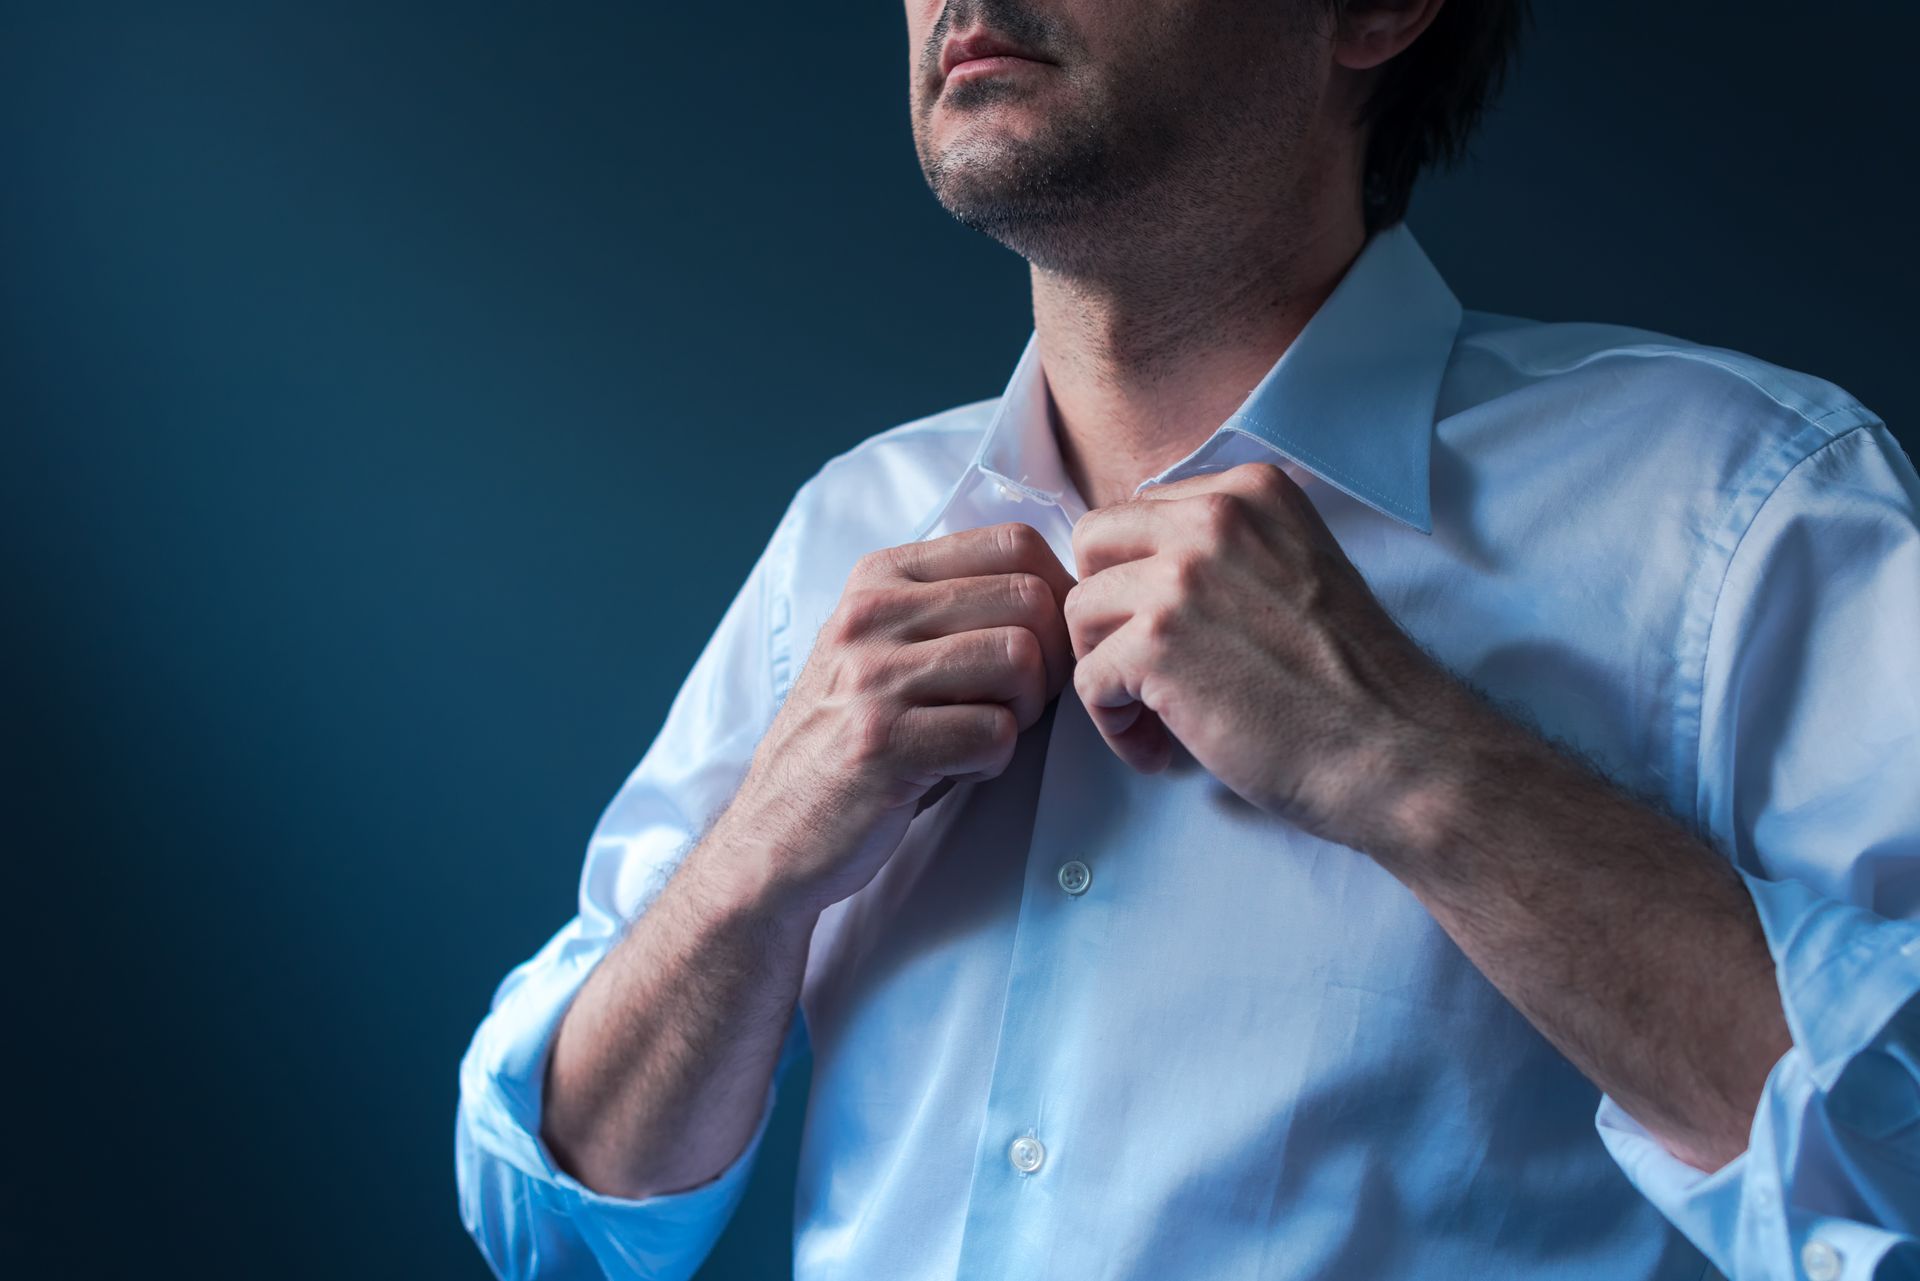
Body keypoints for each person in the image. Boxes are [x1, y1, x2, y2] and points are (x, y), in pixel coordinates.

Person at [455, 0, 1920, 1277]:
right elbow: (559, 1213)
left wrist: (1414, 768)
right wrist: (755, 865)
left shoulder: (1742, 510)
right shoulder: (852, 527)